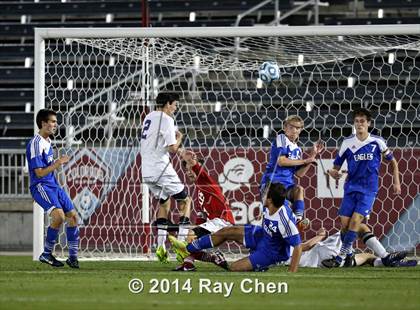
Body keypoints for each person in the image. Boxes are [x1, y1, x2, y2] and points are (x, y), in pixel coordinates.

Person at [322, 108, 402, 268]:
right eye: (357, 121)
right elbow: (335, 167)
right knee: (344, 224)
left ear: (369, 123)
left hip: (368, 189)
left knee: (356, 221)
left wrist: (396, 181)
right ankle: (350, 256)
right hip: (350, 188)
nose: (360, 124)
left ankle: (340, 257)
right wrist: (333, 173)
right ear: (354, 123)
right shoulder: (347, 142)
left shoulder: (377, 141)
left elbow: (393, 162)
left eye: (363, 121)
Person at [170, 183, 303, 272]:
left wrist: (291, 273)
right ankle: (187, 248)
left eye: (265, 194)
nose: (262, 195)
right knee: (227, 231)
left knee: (234, 268)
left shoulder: (283, 220)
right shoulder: (276, 203)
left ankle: (261, 265)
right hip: (261, 235)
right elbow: (297, 197)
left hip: (270, 251)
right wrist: (300, 217)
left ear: (270, 200)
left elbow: (298, 246)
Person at [140, 92, 192, 263]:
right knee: (186, 201)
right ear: (168, 104)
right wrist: (180, 139)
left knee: (165, 202)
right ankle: (183, 246)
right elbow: (172, 148)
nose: (175, 108)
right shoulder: (167, 119)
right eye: (174, 104)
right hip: (160, 168)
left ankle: (161, 248)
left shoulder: (149, 117)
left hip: (146, 170)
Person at [26, 109, 79, 268]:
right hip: (41, 186)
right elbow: (39, 173)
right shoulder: (35, 143)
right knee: (59, 217)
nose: (55, 125)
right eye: (53, 122)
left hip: (53, 186)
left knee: (73, 217)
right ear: (43, 123)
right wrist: (58, 163)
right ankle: (47, 254)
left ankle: (73, 257)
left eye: (56, 122)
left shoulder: (48, 142)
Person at [172, 150, 235, 271]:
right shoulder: (198, 190)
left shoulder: (206, 181)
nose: (189, 172)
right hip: (214, 223)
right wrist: (196, 230)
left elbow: (196, 167)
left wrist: (189, 158)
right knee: (186, 238)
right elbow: (201, 216)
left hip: (223, 221)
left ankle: (212, 258)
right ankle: (188, 264)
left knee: (189, 238)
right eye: (187, 171)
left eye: (192, 169)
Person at [260, 115, 323, 223]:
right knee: (281, 213)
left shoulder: (298, 149)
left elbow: (299, 174)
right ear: (285, 128)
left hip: (287, 185)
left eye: (297, 128)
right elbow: (281, 161)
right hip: (273, 184)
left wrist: (312, 157)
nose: (294, 130)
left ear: (301, 130)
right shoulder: (281, 138)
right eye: (291, 127)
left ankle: (298, 220)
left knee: (299, 190)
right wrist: (305, 161)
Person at [288, 228, 416, 268]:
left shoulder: (274, 255)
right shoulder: (280, 246)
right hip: (325, 252)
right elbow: (305, 246)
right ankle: (387, 256)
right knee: (359, 227)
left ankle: (390, 262)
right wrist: (320, 235)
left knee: (367, 256)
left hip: (323, 261)